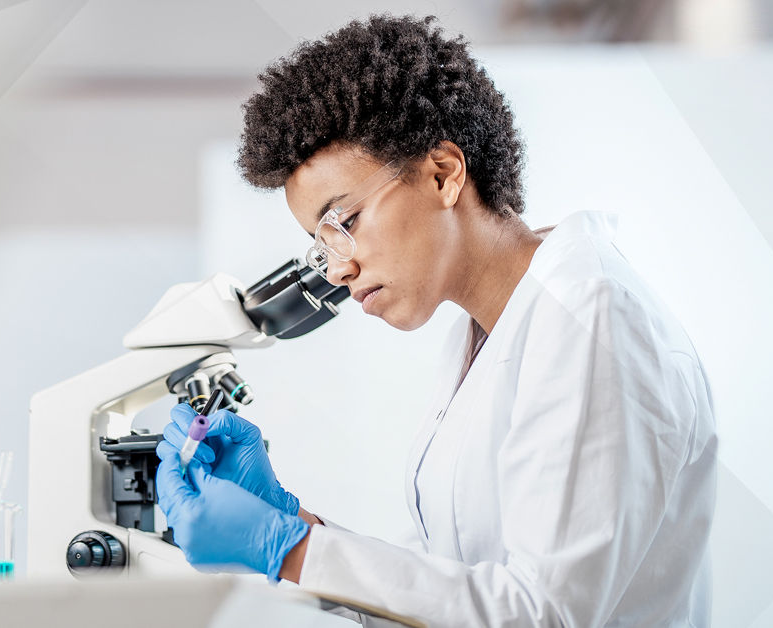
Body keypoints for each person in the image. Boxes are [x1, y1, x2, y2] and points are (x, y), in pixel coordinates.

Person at [155, 14, 717, 628]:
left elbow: (543, 614)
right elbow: (452, 585)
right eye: (319, 246)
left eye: (342, 223)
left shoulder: (591, 319)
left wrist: (292, 552)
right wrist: (297, 528)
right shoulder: (482, 335)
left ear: (444, 173)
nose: (337, 270)